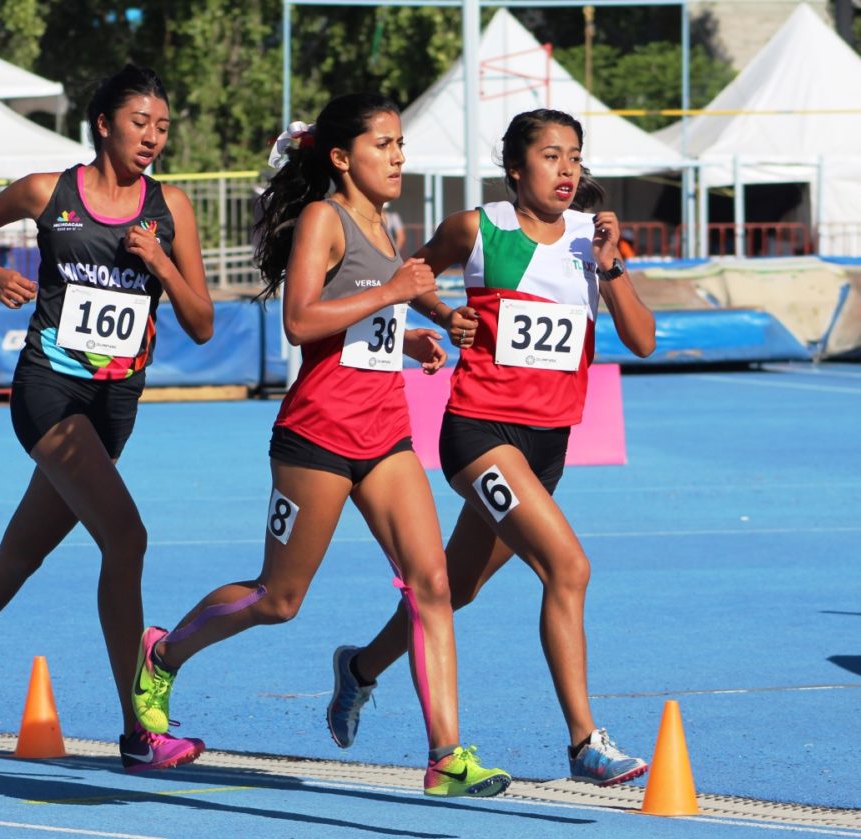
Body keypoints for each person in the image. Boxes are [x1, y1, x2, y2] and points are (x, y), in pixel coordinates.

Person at [129, 94, 511, 798]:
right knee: (279, 598)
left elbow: (369, 320)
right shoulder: (322, 219)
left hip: (386, 433)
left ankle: (446, 755)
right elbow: (303, 320)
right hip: (317, 439)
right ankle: (163, 651)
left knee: (433, 585)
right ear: (342, 157)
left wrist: (418, 330)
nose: (400, 156)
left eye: (401, 144)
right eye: (384, 145)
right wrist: (395, 289)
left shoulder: (383, 222)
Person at [326, 108, 657, 787]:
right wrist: (445, 316)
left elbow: (645, 340)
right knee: (568, 566)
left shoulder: (590, 240)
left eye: (575, 157)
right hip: (479, 434)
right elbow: (405, 277)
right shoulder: (479, 229)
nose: (566, 170)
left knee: (453, 590)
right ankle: (584, 741)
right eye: (551, 156)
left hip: (546, 447)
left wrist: (612, 267)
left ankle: (359, 667)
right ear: (516, 168)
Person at [0, 64, 215, 773]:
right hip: (47, 393)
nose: (153, 137)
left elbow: (200, 322)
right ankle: (139, 730)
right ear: (103, 123)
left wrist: (162, 264)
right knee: (128, 538)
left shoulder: (172, 209)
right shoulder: (50, 192)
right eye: (141, 123)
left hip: (113, 408)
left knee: (23, 552)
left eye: (163, 127)